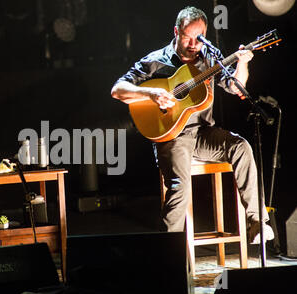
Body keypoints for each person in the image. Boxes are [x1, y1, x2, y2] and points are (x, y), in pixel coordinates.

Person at [111, 7, 274, 244]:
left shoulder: (209, 58)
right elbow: (117, 90)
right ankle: (169, 252)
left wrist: (243, 63)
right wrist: (150, 93)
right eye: (187, 36)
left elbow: (235, 87)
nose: (193, 43)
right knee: (180, 187)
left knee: (242, 147)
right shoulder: (155, 61)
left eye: (199, 37)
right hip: (172, 137)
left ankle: (258, 222)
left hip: (203, 133)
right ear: (176, 31)